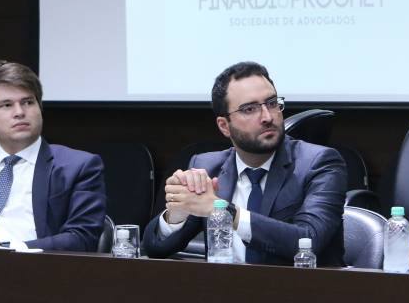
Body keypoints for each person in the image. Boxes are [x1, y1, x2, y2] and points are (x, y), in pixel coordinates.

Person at [143, 61, 347, 266]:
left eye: (272, 103)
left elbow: (308, 240)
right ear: (224, 126)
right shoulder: (208, 167)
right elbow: (155, 249)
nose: (267, 117)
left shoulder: (319, 163)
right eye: (249, 109)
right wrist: (178, 213)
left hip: (300, 286)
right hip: (225, 285)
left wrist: (224, 212)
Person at [0, 60, 106, 251]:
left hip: (37, 266)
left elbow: (82, 238)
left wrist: (0, 248)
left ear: (40, 107)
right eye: (6, 105)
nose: (19, 112)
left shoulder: (78, 167)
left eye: (28, 102)